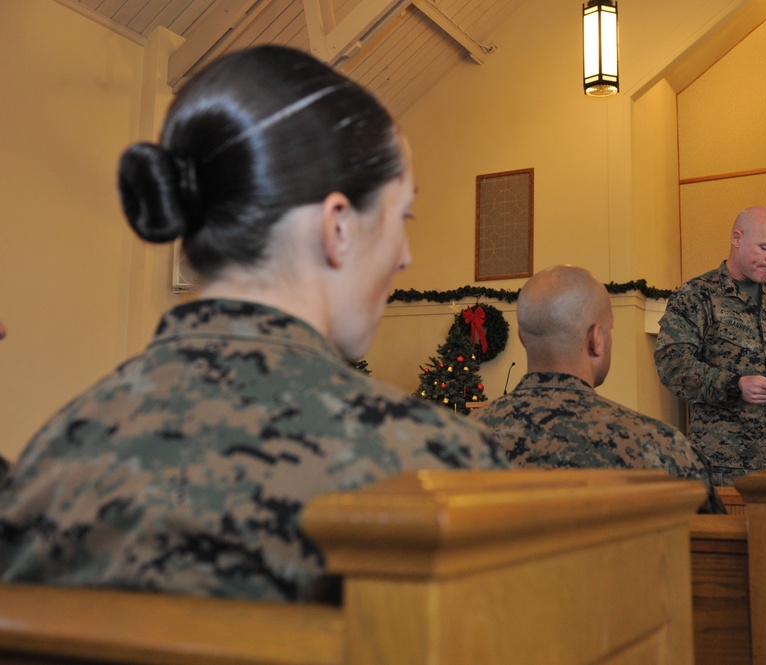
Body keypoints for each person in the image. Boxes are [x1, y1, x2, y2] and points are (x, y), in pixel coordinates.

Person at [0, 46, 506, 602]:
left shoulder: (50, 464)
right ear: (337, 226)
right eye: (401, 216)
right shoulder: (440, 474)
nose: (405, 256)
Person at [470, 265, 724, 513]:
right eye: (609, 330)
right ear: (597, 339)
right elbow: (712, 544)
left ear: (522, 338)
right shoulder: (662, 448)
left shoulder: (463, 443)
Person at [654, 206, 766, 486]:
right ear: (737, 238)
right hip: (726, 466)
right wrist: (734, 385)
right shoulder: (696, 296)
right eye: (765, 247)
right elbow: (673, 364)